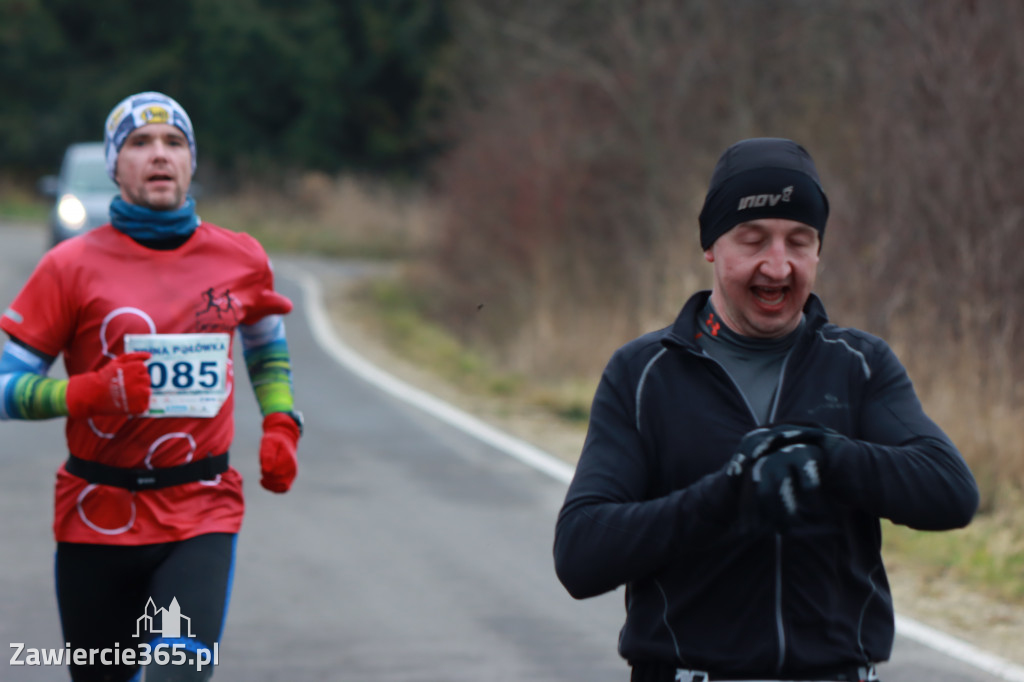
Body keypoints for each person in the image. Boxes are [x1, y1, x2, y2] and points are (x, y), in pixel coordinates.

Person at [553, 138, 979, 682]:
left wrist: (825, 457)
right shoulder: (643, 375)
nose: (777, 266)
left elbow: (952, 491)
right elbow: (580, 553)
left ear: (819, 251)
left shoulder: (860, 365)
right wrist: (725, 495)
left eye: (799, 242)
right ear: (711, 246)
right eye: (753, 240)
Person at [0, 91, 303, 682]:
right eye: (139, 143)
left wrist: (282, 421)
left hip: (200, 510)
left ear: (192, 161)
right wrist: (83, 394)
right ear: (116, 165)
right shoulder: (68, 267)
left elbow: (267, 345)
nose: (159, 154)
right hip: (95, 512)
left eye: (174, 142)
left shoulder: (241, 258)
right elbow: (5, 386)